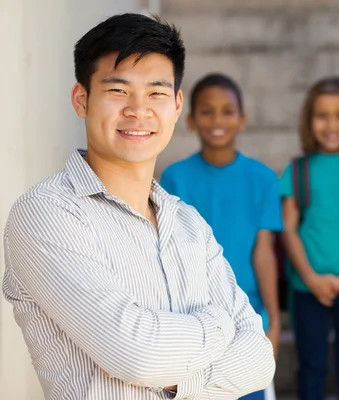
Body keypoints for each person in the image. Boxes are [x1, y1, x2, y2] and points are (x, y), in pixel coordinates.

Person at [2, 13, 275, 400]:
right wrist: (220, 325)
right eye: (118, 90)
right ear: (82, 99)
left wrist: (174, 376)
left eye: (157, 93)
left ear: (177, 105)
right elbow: (137, 355)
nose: (138, 110)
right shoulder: (46, 214)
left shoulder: (189, 224)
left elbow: (261, 358)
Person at [160, 73, 282, 400]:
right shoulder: (174, 178)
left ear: (241, 120)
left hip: (249, 314)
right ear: (189, 120)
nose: (217, 120)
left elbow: (264, 253)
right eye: (207, 111)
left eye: (227, 111)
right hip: (193, 316)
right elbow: (168, 252)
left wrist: (273, 318)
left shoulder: (263, 179)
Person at [279, 76, 339, 400]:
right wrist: (310, 277)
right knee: (312, 366)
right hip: (308, 288)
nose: (331, 124)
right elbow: (289, 229)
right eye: (322, 116)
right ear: (309, 121)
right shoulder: (298, 170)